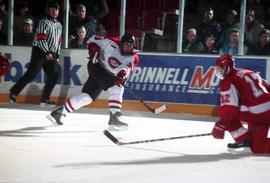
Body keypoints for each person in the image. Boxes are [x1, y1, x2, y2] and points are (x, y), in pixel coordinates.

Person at [47, 33, 140, 130]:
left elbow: (126, 69)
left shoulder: (134, 57)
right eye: (126, 44)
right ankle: (114, 116)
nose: (128, 47)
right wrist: (93, 49)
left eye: (131, 45)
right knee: (116, 87)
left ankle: (59, 113)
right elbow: (91, 40)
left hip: (107, 74)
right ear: (121, 43)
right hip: (96, 66)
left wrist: (121, 76)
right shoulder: (110, 42)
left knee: (86, 98)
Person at [211, 54, 270, 154]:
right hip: (263, 115)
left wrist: (220, 126)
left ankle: (243, 138)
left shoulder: (228, 81)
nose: (219, 71)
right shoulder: (247, 71)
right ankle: (248, 139)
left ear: (227, 67)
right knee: (258, 148)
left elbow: (229, 110)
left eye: (221, 68)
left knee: (226, 114)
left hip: (258, 114)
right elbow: (267, 86)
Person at [9, 1, 62, 107]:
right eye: (52, 10)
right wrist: (47, 52)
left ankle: (44, 99)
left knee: (54, 75)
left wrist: (57, 54)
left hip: (50, 53)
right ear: (49, 11)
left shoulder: (59, 25)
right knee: (32, 74)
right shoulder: (44, 22)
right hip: (39, 52)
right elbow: (41, 38)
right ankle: (14, 92)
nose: (55, 12)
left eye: (56, 10)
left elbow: (59, 41)